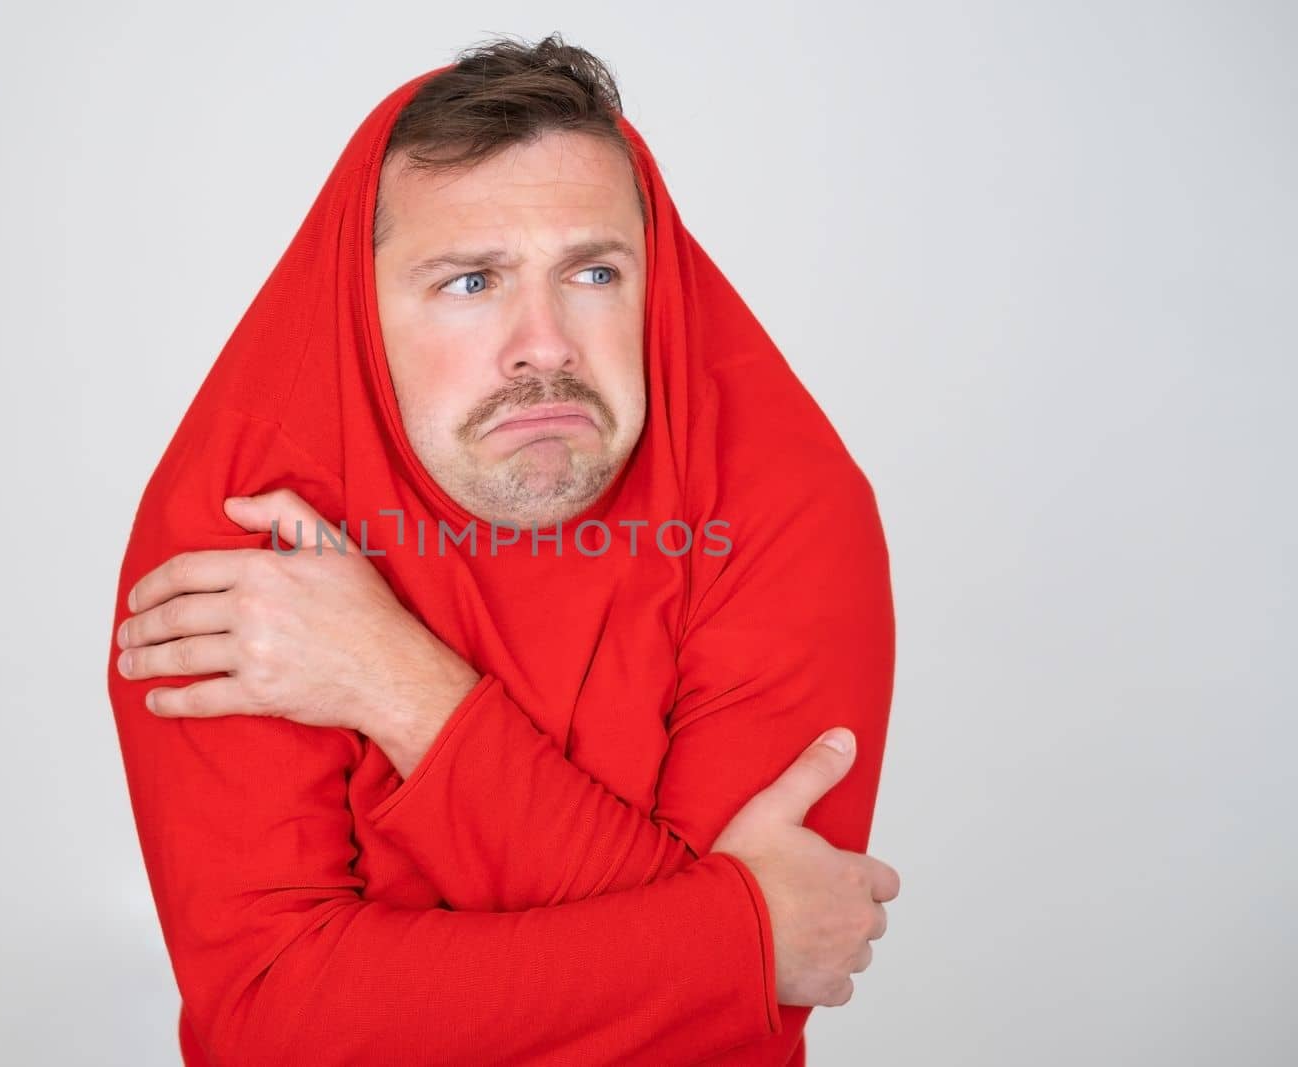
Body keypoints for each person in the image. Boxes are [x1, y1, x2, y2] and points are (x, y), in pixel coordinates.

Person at [107, 33, 898, 1066]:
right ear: (359, 301)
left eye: (594, 270)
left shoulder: (779, 495)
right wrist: (740, 937)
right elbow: (272, 1020)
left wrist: (397, 684)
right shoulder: (251, 528)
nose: (545, 343)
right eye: (471, 281)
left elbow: (706, 1048)